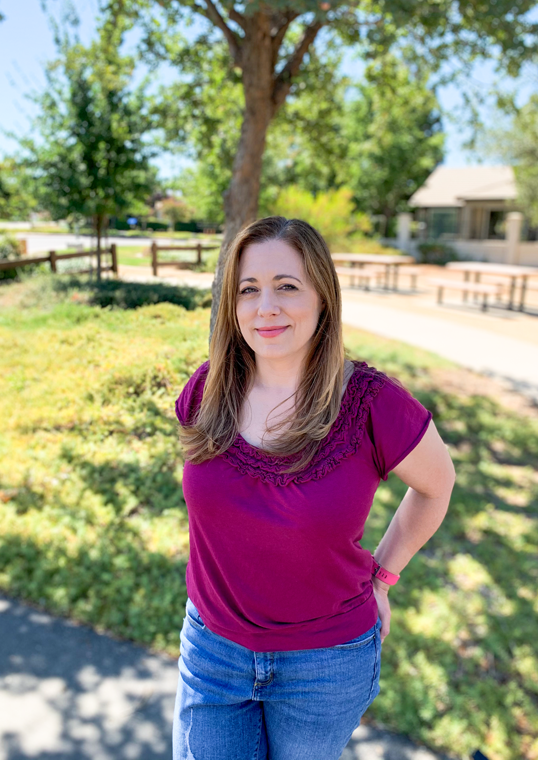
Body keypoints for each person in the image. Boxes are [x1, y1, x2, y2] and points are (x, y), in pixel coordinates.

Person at [172, 216, 455, 760]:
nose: (265, 307)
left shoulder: (373, 404)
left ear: (324, 297)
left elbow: (437, 486)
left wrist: (384, 575)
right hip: (213, 651)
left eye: (287, 287)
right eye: (248, 290)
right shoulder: (206, 390)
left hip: (325, 667)